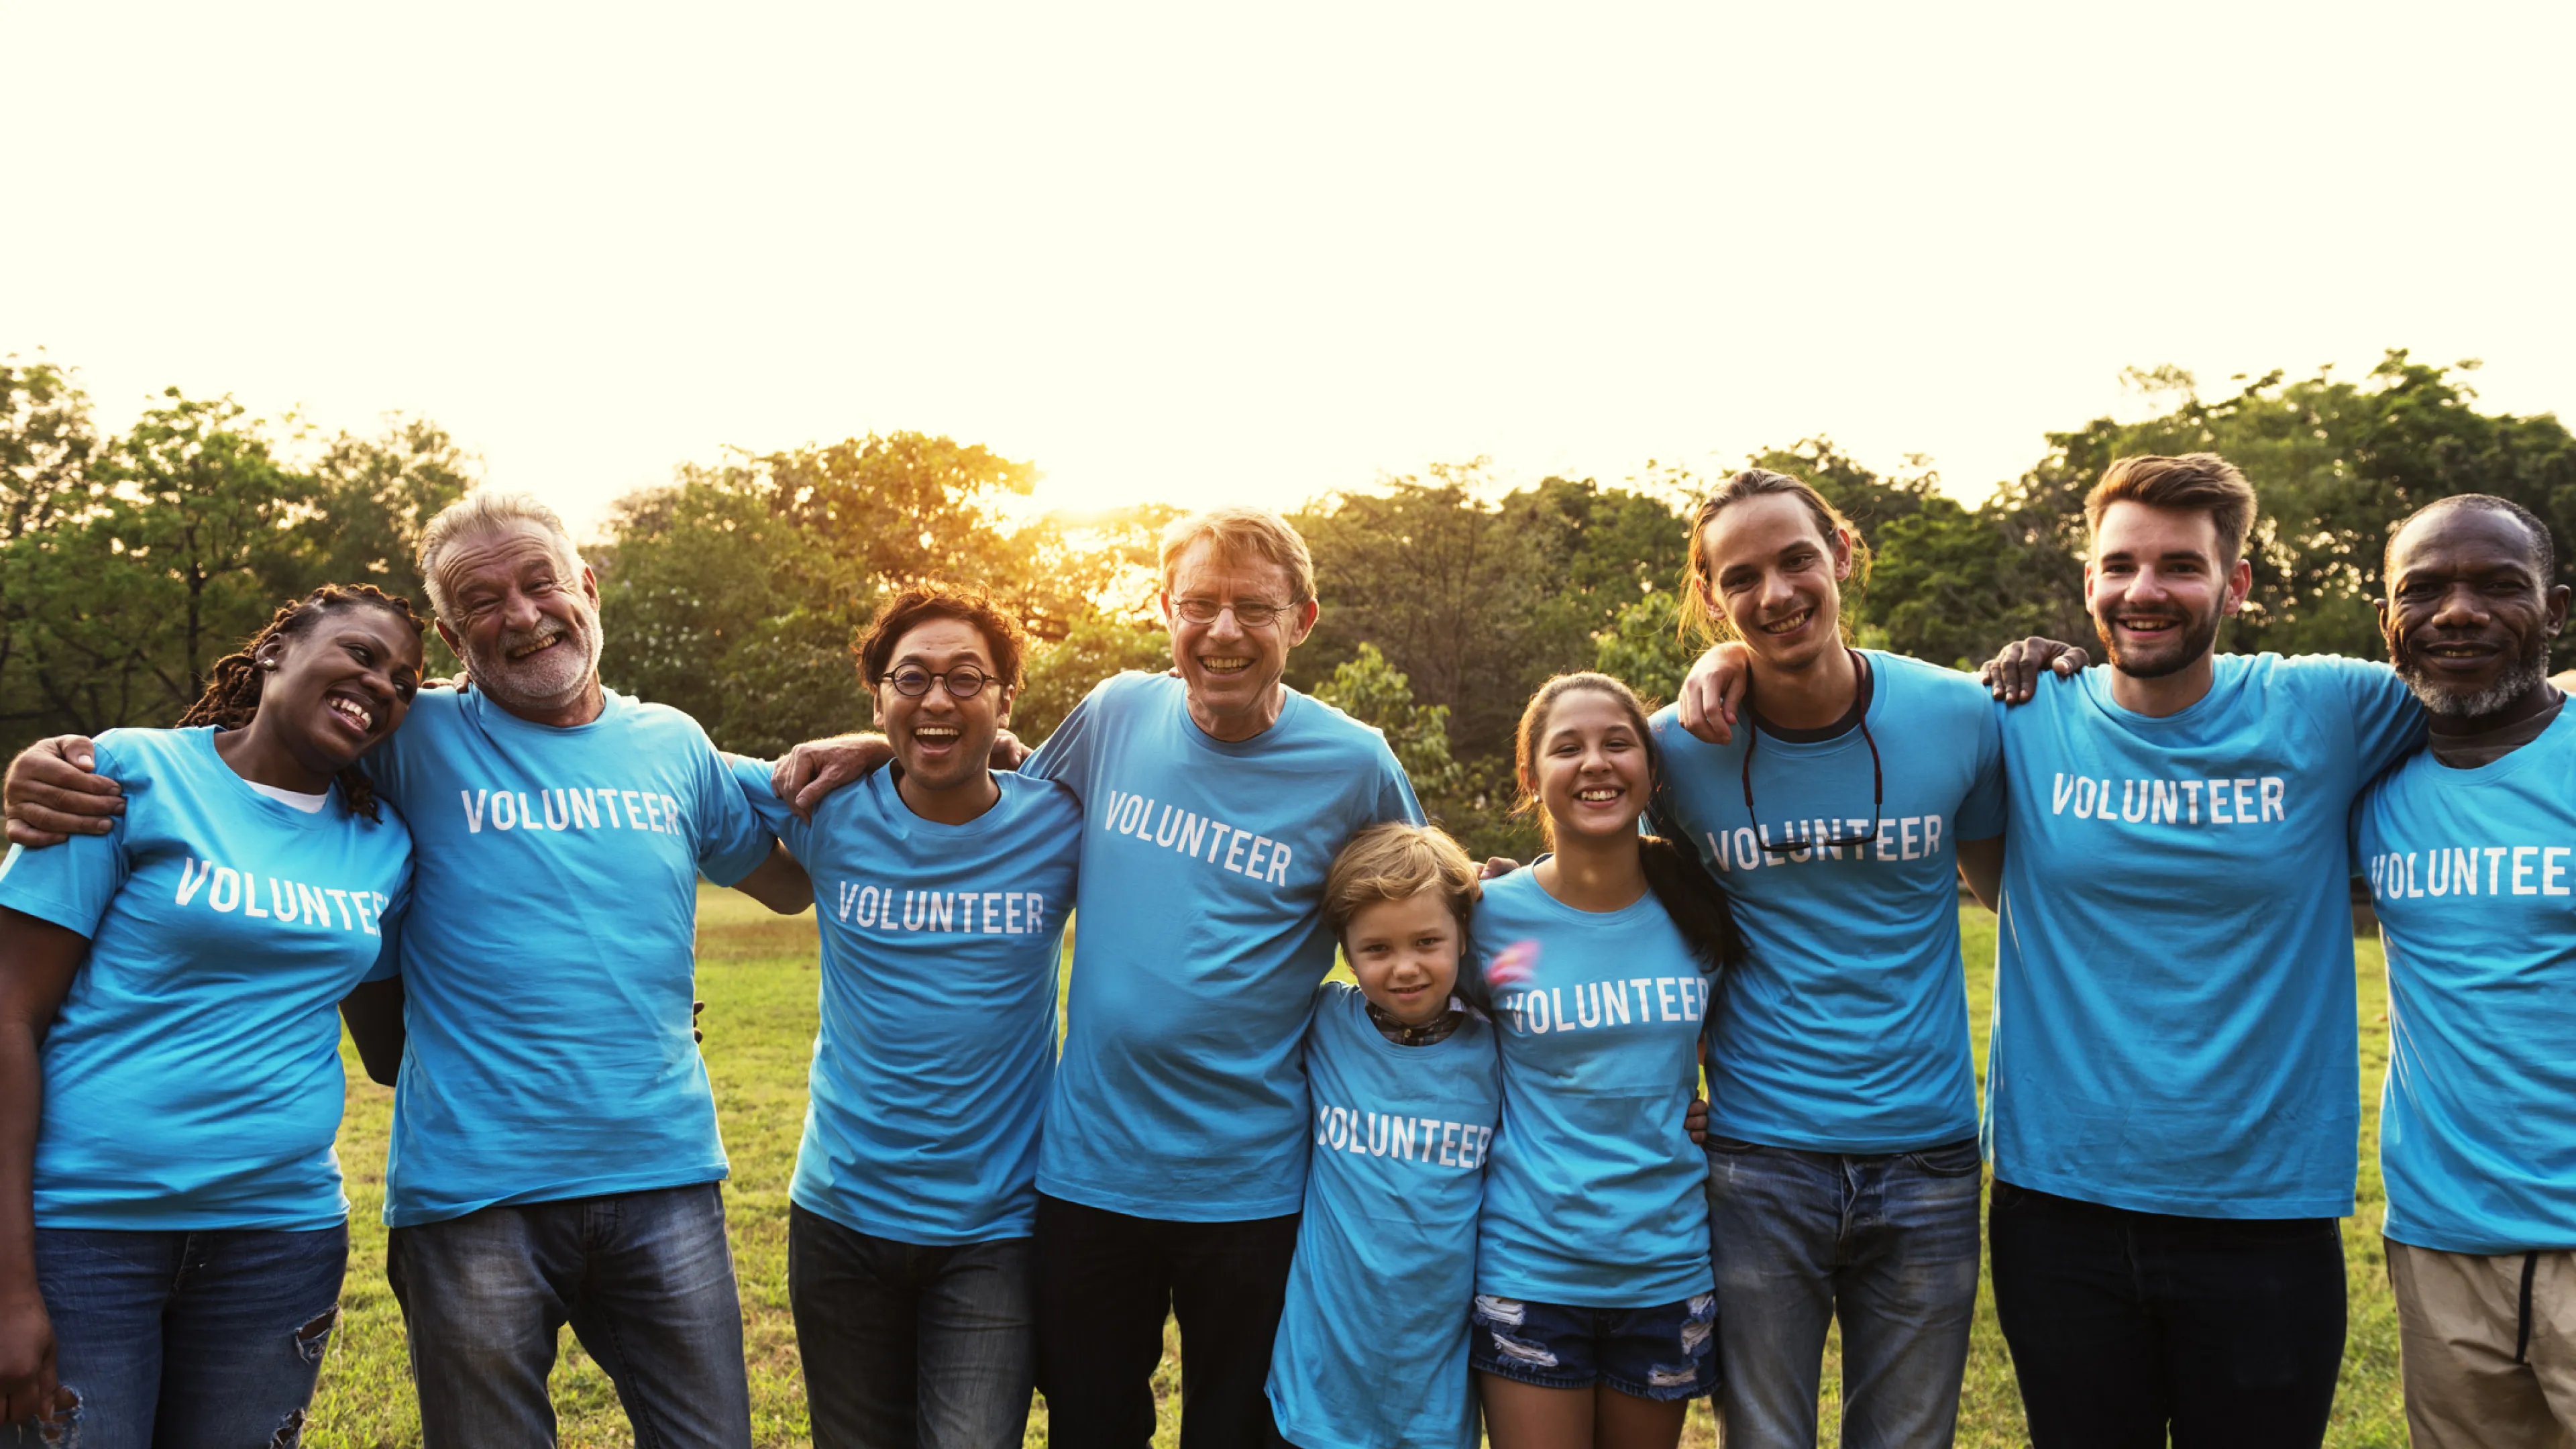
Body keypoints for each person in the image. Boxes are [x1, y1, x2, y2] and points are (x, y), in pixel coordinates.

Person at [2, 492, 814, 1449]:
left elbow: (794, 865)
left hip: (659, 1173)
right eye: (482, 601)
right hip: (468, 1198)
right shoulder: (406, 735)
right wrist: (43, 765)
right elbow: (244, 755)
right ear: (452, 636)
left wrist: (921, 755)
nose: (521, 615)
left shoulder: (672, 746)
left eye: (541, 582)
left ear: (587, 588)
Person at [1679, 453, 2421, 1447]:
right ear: (2087, 583)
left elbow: (2506, 688)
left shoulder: (2322, 706)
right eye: (2120, 566)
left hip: (2261, 1206)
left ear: (2237, 582)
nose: (2144, 590)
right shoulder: (2023, 717)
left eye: (2180, 567)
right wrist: (1730, 657)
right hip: (2056, 1204)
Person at [773, 506, 1422, 1448]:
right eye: (1199, 605)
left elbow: (1422, 910)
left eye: (1254, 608)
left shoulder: (1354, 764)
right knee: (1090, 1426)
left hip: (1255, 1182)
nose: (1224, 632)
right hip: (1087, 1178)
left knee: (1239, 1431)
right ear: (1165, 610)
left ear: (1303, 619)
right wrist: (883, 745)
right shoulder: (1119, 712)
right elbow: (1007, 786)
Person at [0, 584, 424, 1448]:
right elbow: (10, 1015)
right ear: (274, 651)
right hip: (86, 1230)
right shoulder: (129, 775)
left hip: (279, 1238)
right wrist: (9, 1286)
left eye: (408, 682)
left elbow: (393, 1051)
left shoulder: (381, 843)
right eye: (361, 654)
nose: (384, 684)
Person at [1649, 469, 2002, 1448]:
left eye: (1797, 559)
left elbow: (2016, 897)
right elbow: (1587, 895)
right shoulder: (1674, 750)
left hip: (1928, 1156)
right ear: (1711, 597)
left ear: (1841, 554)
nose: (1775, 594)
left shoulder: (1959, 715)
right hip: (1759, 1158)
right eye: (1741, 578)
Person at [731, 582, 1081, 1449]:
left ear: (1006, 699)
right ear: (877, 695)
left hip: (994, 1231)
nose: (937, 698)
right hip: (841, 1216)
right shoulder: (823, 807)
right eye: (910, 679)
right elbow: (671, 770)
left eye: (968, 680)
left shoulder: (1063, 826)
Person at [2351, 494, 2575, 1448]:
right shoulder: (2366, 781)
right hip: (2440, 1240)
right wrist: (2059, 667)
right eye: (2426, 589)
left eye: (2498, 585)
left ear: (2555, 610)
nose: (2458, 612)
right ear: (2388, 622)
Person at [1468, 672, 1737, 1449]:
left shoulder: (1697, 912)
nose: (1596, 763)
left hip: (1666, 1270)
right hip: (1531, 1267)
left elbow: (1742, 1046)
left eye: (1618, 743)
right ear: (1532, 778)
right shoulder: (1489, 918)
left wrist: (1719, 1112)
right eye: (1568, 748)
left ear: (1651, 773)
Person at [1265, 822, 1501, 1449]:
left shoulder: (1499, 1050)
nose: (1405, 968)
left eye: (1428, 941)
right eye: (1377, 949)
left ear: (1463, 937)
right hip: (1317, 1387)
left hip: (1433, 1393)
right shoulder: (1323, 1022)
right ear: (1345, 949)